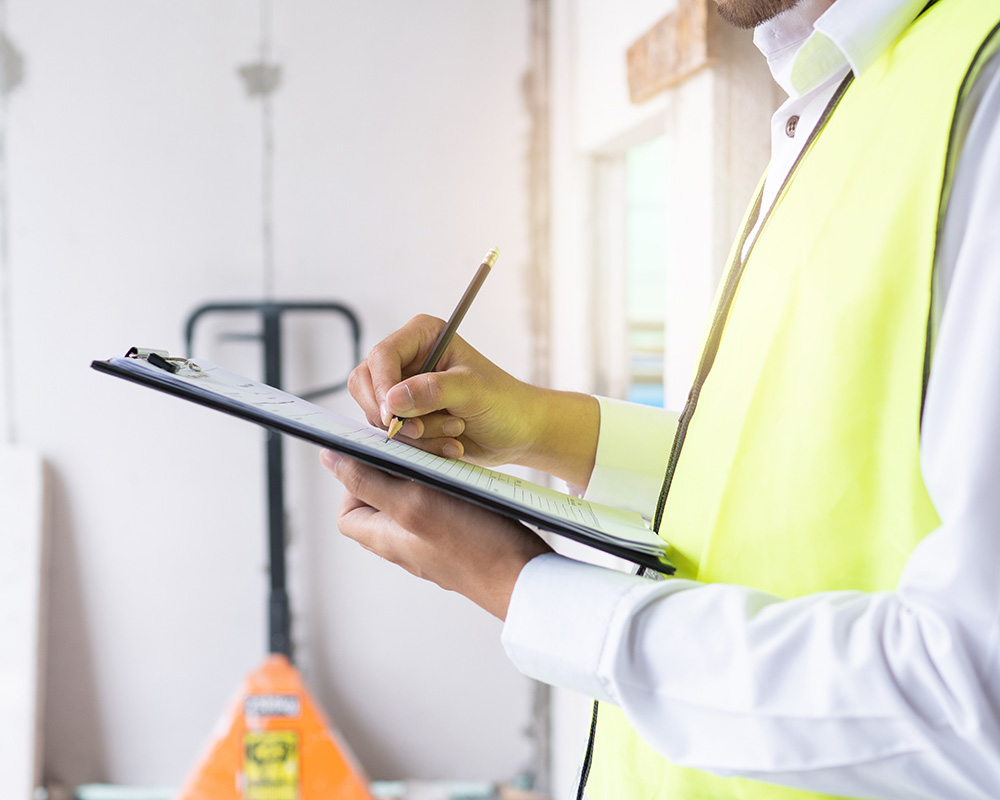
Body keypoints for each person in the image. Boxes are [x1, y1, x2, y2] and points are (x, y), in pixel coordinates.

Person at [320, 0, 1000, 797]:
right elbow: (798, 474)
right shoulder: (839, 92)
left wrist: (520, 585)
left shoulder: (976, 97)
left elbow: (971, 704)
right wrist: (541, 426)